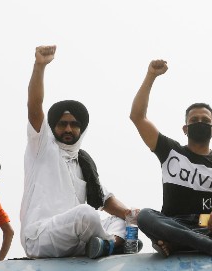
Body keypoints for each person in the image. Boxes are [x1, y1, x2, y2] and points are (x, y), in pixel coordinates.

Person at [130, 59, 212, 258]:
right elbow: (138, 117)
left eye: (205, 121)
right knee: (145, 216)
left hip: (208, 222)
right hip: (174, 221)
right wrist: (151, 76)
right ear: (185, 129)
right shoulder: (169, 150)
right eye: (194, 120)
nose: (200, 123)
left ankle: (178, 244)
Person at [22, 45, 137, 259]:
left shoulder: (83, 164)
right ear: (53, 127)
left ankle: (105, 245)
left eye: (74, 124)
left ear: (81, 129)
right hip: (41, 237)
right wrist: (39, 67)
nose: (68, 129)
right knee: (86, 214)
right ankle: (114, 244)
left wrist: (133, 216)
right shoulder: (43, 148)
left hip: (77, 240)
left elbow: (106, 199)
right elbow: (34, 107)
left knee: (122, 217)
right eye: (62, 124)